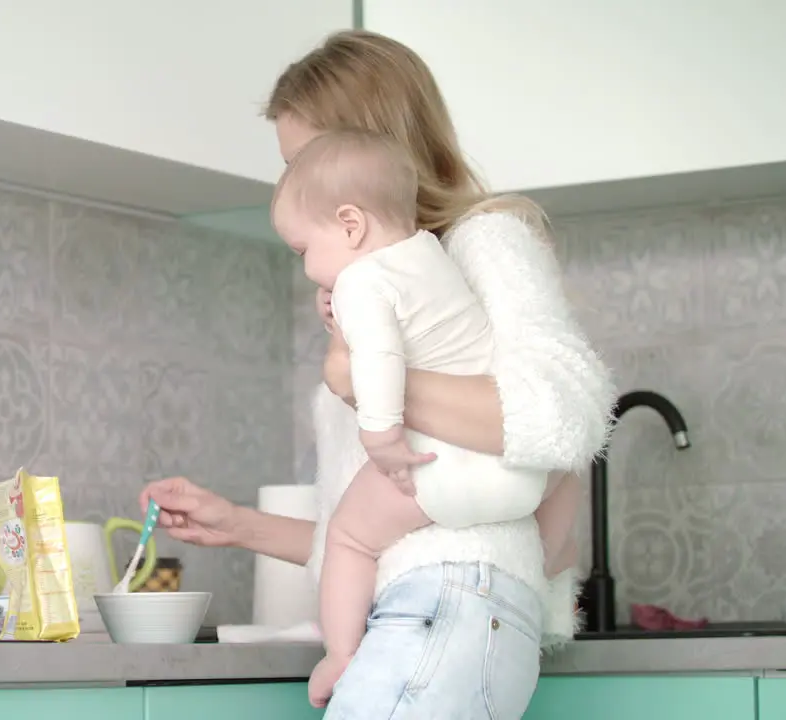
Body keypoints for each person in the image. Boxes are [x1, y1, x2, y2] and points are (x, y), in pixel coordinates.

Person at [140, 29, 613, 719]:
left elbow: (562, 415)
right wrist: (239, 525)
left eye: (303, 161)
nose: (290, 185)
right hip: (424, 600)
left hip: (451, 599)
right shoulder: (378, 296)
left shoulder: (481, 245)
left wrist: (363, 378)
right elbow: (375, 530)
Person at [270, 128, 581, 706]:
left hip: (441, 474)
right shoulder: (433, 253)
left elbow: (382, 361)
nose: (310, 269)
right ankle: (547, 563)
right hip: (520, 483)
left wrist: (381, 435)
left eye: (303, 251)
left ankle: (339, 656)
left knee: (350, 536)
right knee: (568, 466)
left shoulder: (363, 280)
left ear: (350, 225)